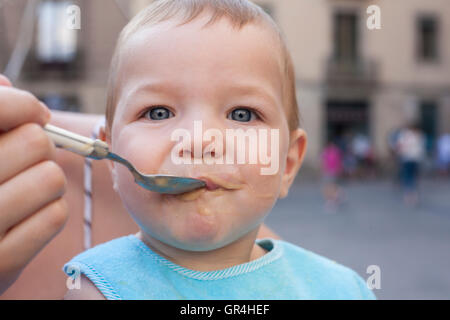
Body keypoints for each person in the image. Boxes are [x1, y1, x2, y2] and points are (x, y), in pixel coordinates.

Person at [62, 0, 375, 300]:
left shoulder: (341, 291)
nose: (199, 142)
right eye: (158, 112)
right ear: (110, 156)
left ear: (288, 163)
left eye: (242, 114)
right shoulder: (96, 288)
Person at [396, 123, 426, 207]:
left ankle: (409, 195)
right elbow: (421, 148)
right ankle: (414, 195)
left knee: (407, 176)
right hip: (416, 158)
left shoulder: (405, 135)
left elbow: (399, 146)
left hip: (407, 158)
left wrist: (399, 153)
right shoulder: (419, 135)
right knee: (413, 176)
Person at [321, 139, 343, 212]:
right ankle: (332, 199)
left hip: (333, 171)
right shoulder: (326, 151)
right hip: (328, 171)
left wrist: (338, 169)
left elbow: (338, 161)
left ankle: (333, 200)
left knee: (332, 186)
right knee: (329, 186)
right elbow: (323, 161)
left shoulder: (335, 152)